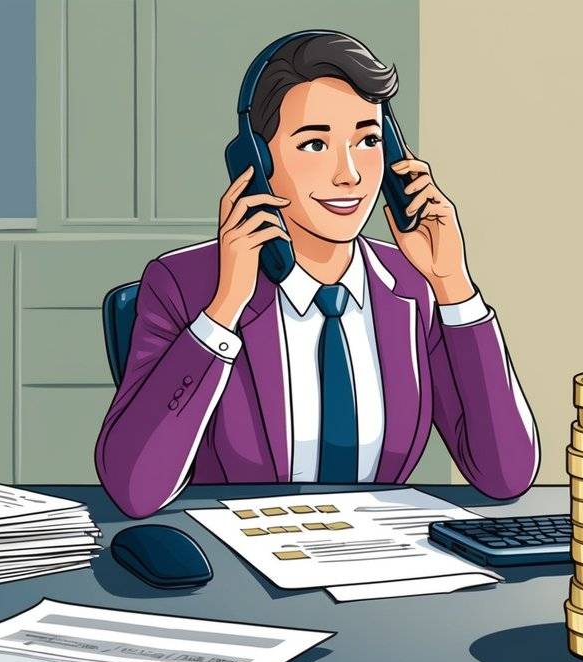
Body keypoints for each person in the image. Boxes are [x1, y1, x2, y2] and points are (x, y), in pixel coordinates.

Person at [95, 31, 538, 519]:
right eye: (314, 144)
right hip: (241, 575)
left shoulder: (411, 286)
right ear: (256, 162)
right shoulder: (184, 284)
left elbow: (505, 476)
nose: (349, 174)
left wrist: (454, 286)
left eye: (368, 141)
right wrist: (223, 311)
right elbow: (133, 490)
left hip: (384, 567)